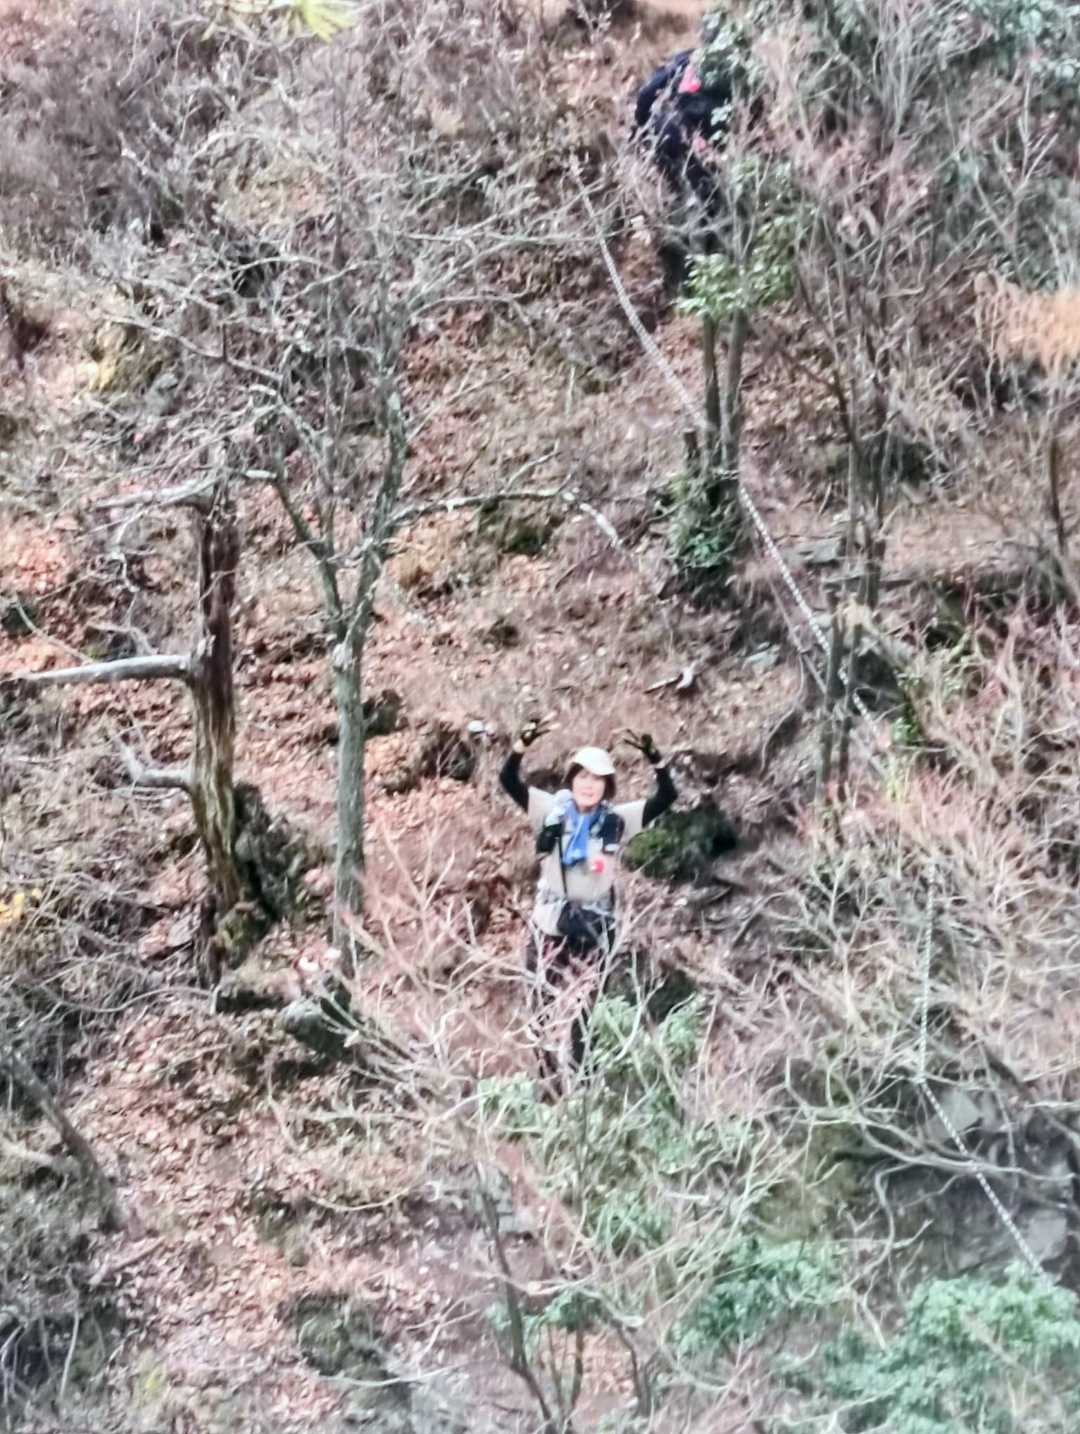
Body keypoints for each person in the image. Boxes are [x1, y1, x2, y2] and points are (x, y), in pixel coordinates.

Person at [499, 718, 677, 1080]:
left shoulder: (616, 820)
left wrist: (656, 761)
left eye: (597, 779)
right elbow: (509, 781)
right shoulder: (551, 810)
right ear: (572, 779)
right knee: (540, 1010)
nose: (588, 784)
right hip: (550, 923)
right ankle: (549, 1083)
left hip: (594, 928)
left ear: (607, 786)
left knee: (585, 1016)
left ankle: (584, 1082)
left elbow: (665, 798)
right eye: (583, 776)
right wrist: (521, 746)